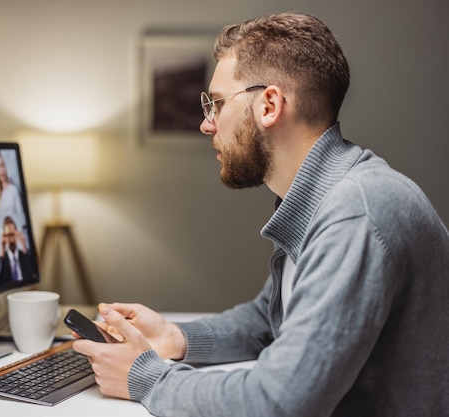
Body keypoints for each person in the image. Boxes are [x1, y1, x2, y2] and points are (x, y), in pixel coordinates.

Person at [72, 12, 449, 417]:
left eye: (216, 104)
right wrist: (173, 335)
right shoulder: (329, 194)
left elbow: (279, 401)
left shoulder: (357, 213)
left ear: (270, 104)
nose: (206, 124)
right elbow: (268, 321)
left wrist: (144, 376)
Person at [0, 216, 33, 285]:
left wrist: (24, 245)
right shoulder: (3, 259)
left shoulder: (24, 254)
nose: (10, 239)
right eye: (7, 235)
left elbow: (34, 274)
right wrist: (2, 249)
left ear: (16, 234)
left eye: (12, 234)